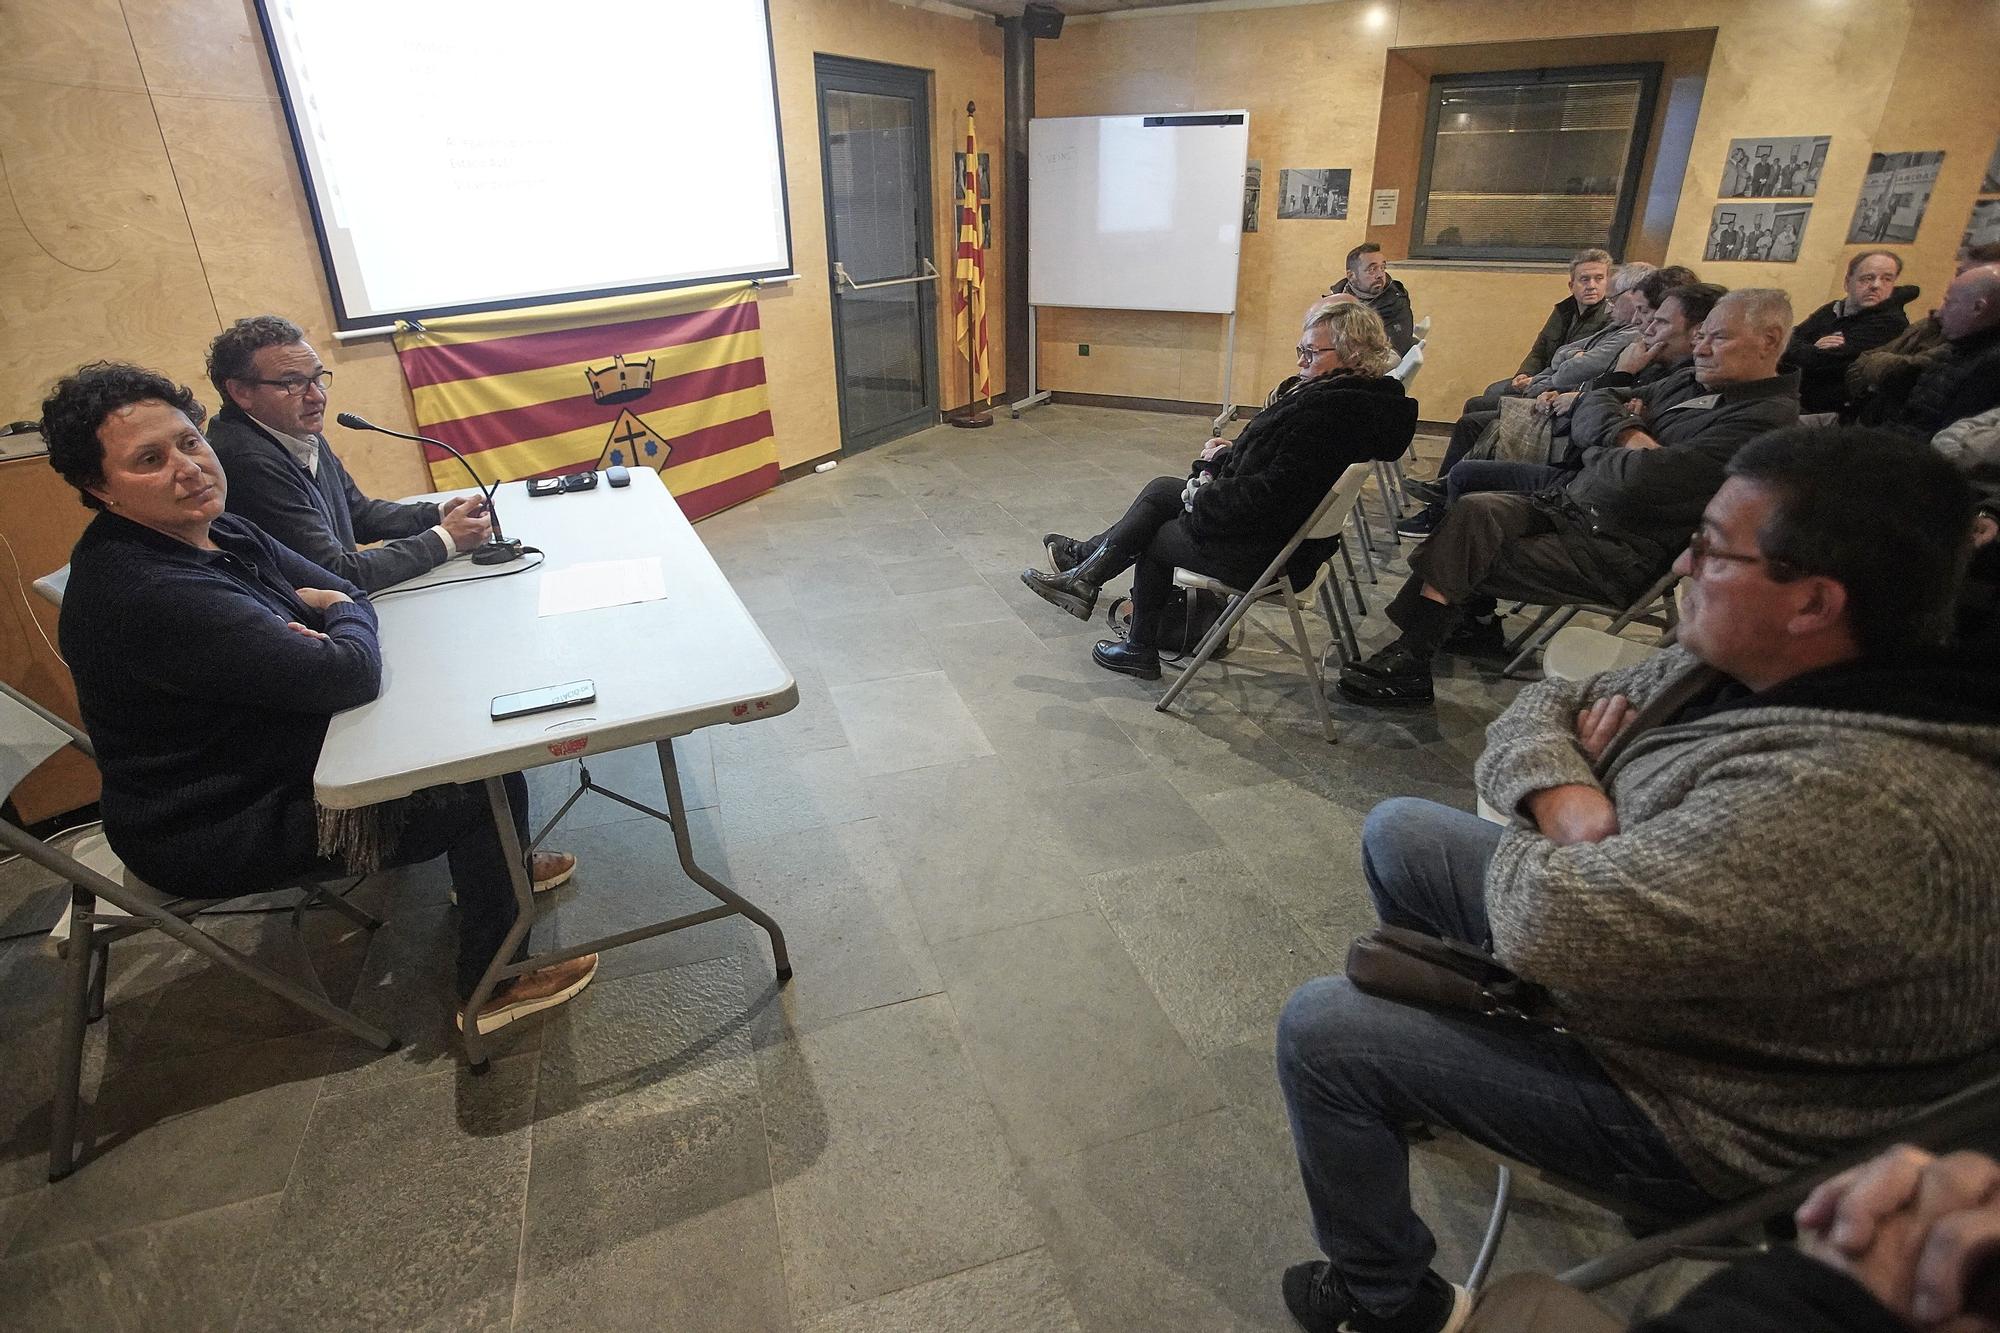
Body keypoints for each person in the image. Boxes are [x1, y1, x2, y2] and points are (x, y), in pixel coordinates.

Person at [1277, 426, 2000, 1333]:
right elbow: (1546, 702)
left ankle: (1386, 1301)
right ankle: (1438, 1081)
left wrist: (1583, 809)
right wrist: (1573, 796)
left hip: (1711, 1107)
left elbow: (1542, 920)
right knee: (1402, 829)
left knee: (1327, 1032)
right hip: (1651, 968)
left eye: (1711, 548)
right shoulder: (1751, 654)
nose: (1683, 563)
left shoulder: (1859, 799)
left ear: (1813, 600)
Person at [42, 363, 595, 1035]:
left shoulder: (216, 530)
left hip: (267, 758)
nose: (188, 468)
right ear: (98, 487)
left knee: (460, 728)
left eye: (189, 441)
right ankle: (496, 985)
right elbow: (348, 670)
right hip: (213, 822)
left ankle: (494, 871)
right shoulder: (150, 590)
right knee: (483, 779)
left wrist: (331, 612)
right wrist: (332, 616)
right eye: (150, 460)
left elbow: (341, 589)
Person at [1339, 289, 1799, 706]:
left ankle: (1414, 658)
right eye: (1701, 337)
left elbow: (1644, 479)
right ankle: (1454, 632)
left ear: (1768, 340)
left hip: (1620, 546)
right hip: (1577, 504)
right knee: (1473, 510)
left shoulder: (1762, 421)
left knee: (1460, 551)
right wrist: (1629, 434)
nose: (1700, 348)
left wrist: (1615, 437)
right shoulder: (1693, 382)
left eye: (1717, 339)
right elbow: (1596, 399)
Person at [1020, 303, 1415, 680]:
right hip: (1285, 537)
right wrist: (1229, 457)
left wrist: (1204, 491)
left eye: (1311, 353)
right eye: (1301, 350)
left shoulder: (1330, 413)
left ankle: (1133, 641)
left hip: (1268, 553)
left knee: (1156, 535)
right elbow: (1282, 471)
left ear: (1353, 352)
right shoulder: (1360, 400)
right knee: (1160, 492)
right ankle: (1086, 575)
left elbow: (1270, 495)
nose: (1300, 362)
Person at [1461, 1145, 2000, 1333]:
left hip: (1705, 1123)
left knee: (1372, 1053)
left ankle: (1408, 1306)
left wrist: (1836, 1303)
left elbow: (1534, 936)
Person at [205, 315, 493, 593]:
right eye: (292, 383)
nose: (316, 396)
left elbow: (359, 515)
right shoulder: (245, 461)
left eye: (317, 379)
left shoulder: (293, 430)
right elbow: (336, 573)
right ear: (241, 392)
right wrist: (446, 538)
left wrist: (439, 513)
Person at [1407, 280, 1721, 518]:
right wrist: (1614, 410)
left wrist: (1612, 395)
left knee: (1480, 437)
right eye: (1641, 313)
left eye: (1655, 319)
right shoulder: (1671, 371)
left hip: (1589, 494)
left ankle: (1440, 514)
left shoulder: (1672, 374)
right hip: (1583, 465)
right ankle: (1441, 509)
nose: (1644, 326)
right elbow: (1556, 357)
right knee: (1484, 417)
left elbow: (1594, 418)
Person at [1847, 241, 2000, 410]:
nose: (1957, 282)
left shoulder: (1976, 345)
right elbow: (1858, 363)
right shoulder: (1932, 322)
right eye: (1959, 274)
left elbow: (1906, 373)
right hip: (1865, 413)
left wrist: (1876, 369)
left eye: (1970, 276)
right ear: (1847, 282)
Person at [1859, 263, 2000, 440]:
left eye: (1949, 302)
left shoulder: (1989, 366)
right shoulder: (1959, 348)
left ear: (1978, 308)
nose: (1939, 313)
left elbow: (1940, 440)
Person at [1784, 251, 1919, 414]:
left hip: (1828, 412)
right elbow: (1788, 338)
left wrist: (1802, 348)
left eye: (1887, 279)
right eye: (1868, 278)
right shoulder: (1833, 308)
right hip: (1793, 395)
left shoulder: (1889, 323)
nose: (1876, 285)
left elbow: (1818, 362)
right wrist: (1804, 347)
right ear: (1848, 282)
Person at [1329, 243, 1416, 353]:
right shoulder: (1334, 300)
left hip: (1370, 364)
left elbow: (1395, 352)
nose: (1380, 274)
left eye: (1382, 268)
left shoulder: (1395, 303)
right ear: (1351, 276)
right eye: (1372, 269)